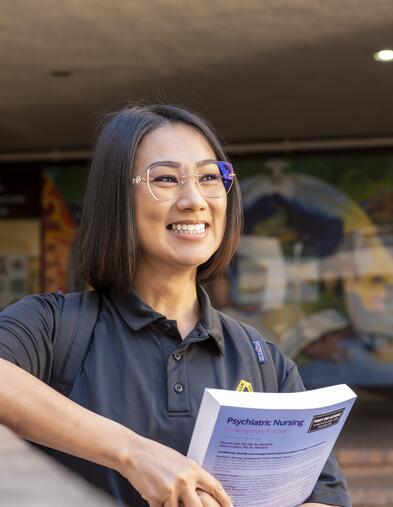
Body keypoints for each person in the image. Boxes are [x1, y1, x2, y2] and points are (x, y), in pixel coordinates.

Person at [0, 104, 351, 507]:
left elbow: (324, 495)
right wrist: (132, 453)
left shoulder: (262, 360)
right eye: (166, 178)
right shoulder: (54, 326)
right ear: (117, 198)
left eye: (208, 177)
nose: (194, 200)